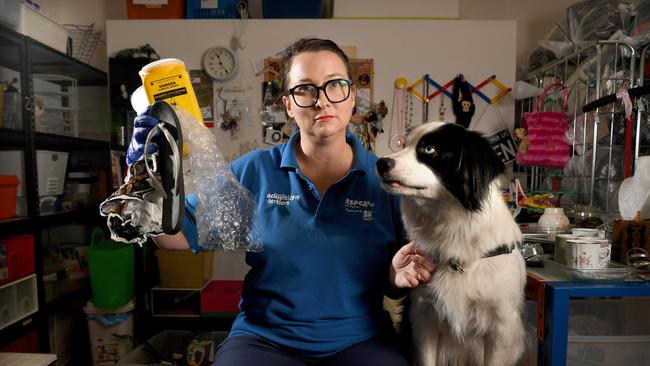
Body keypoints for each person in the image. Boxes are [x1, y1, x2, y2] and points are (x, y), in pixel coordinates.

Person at [127, 37, 435, 366]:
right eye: (305, 89)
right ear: (288, 104)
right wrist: (146, 172)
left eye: (335, 85)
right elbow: (175, 237)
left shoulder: (386, 182)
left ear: (351, 98)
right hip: (264, 340)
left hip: (360, 338)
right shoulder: (254, 172)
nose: (322, 101)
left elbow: (410, 274)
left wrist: (395, 275)